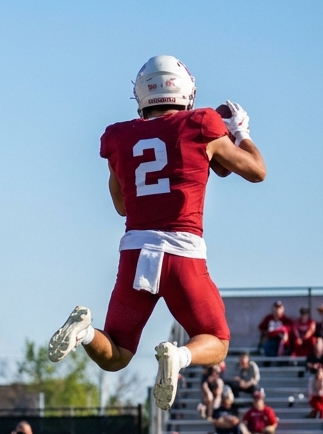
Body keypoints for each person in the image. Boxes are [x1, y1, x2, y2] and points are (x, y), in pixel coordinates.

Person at [47, 56, 267, 411]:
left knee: (116, 354)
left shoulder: (119, 137)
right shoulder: (201, 123)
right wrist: (240, 131)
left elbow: (121, 204)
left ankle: (85, 332)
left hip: (135, 252)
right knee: (217, 340)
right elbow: (256, 171)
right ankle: (179, 358)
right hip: (183, 253)